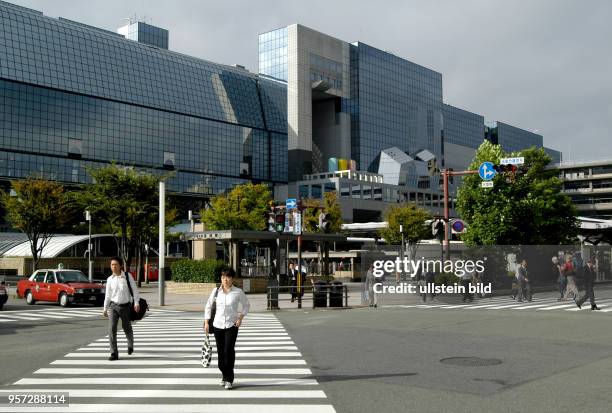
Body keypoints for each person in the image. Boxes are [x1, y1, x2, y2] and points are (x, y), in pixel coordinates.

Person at [204, 268, 250, 390]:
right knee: (220, 353)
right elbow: (208, 307)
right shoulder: (215, 291)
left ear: (232, 279)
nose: (225, 279)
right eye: (223, 277)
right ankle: (224, 375)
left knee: (228, 351)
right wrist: (206, 323)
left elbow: (246, 305)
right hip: (217, 325)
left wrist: (240, 318)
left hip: (231, 325)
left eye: (228, 277)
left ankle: (229, 378)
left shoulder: (238, 292)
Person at [103, 256, 140, 361]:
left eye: (115, 265)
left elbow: (134, 289)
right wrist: (105, 308)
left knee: (126, 327)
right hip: (114, 306)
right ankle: (114, 353)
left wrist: (136, 303)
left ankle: (130, 344)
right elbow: (108, 295)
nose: (113, 267)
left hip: (126, 306)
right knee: (111, 329)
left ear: (120, 266)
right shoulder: (109, 279)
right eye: (112, 265)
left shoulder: (127, 276)